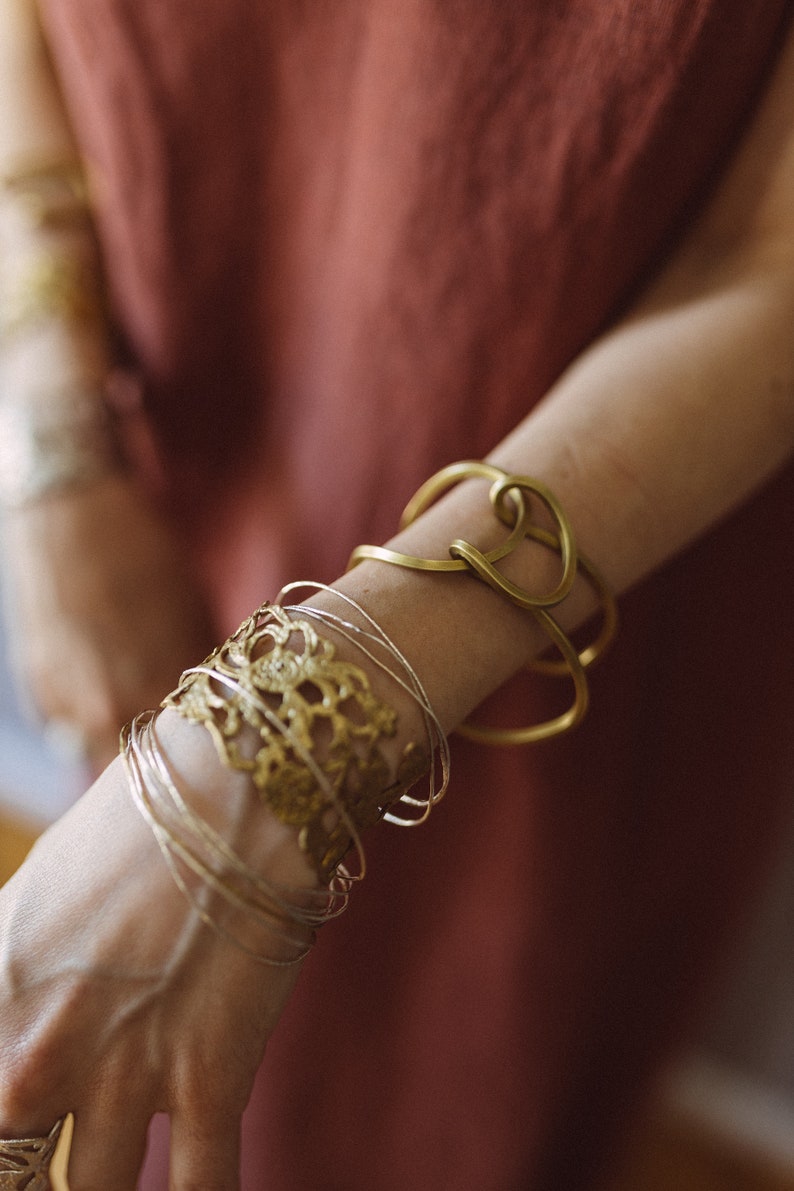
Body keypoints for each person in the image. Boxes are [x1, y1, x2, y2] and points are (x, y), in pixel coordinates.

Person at [1, 1, 794, 1188]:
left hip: (594, 540)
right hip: (172, 409)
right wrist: (48, 445)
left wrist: (274, 742)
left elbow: (766, 255)